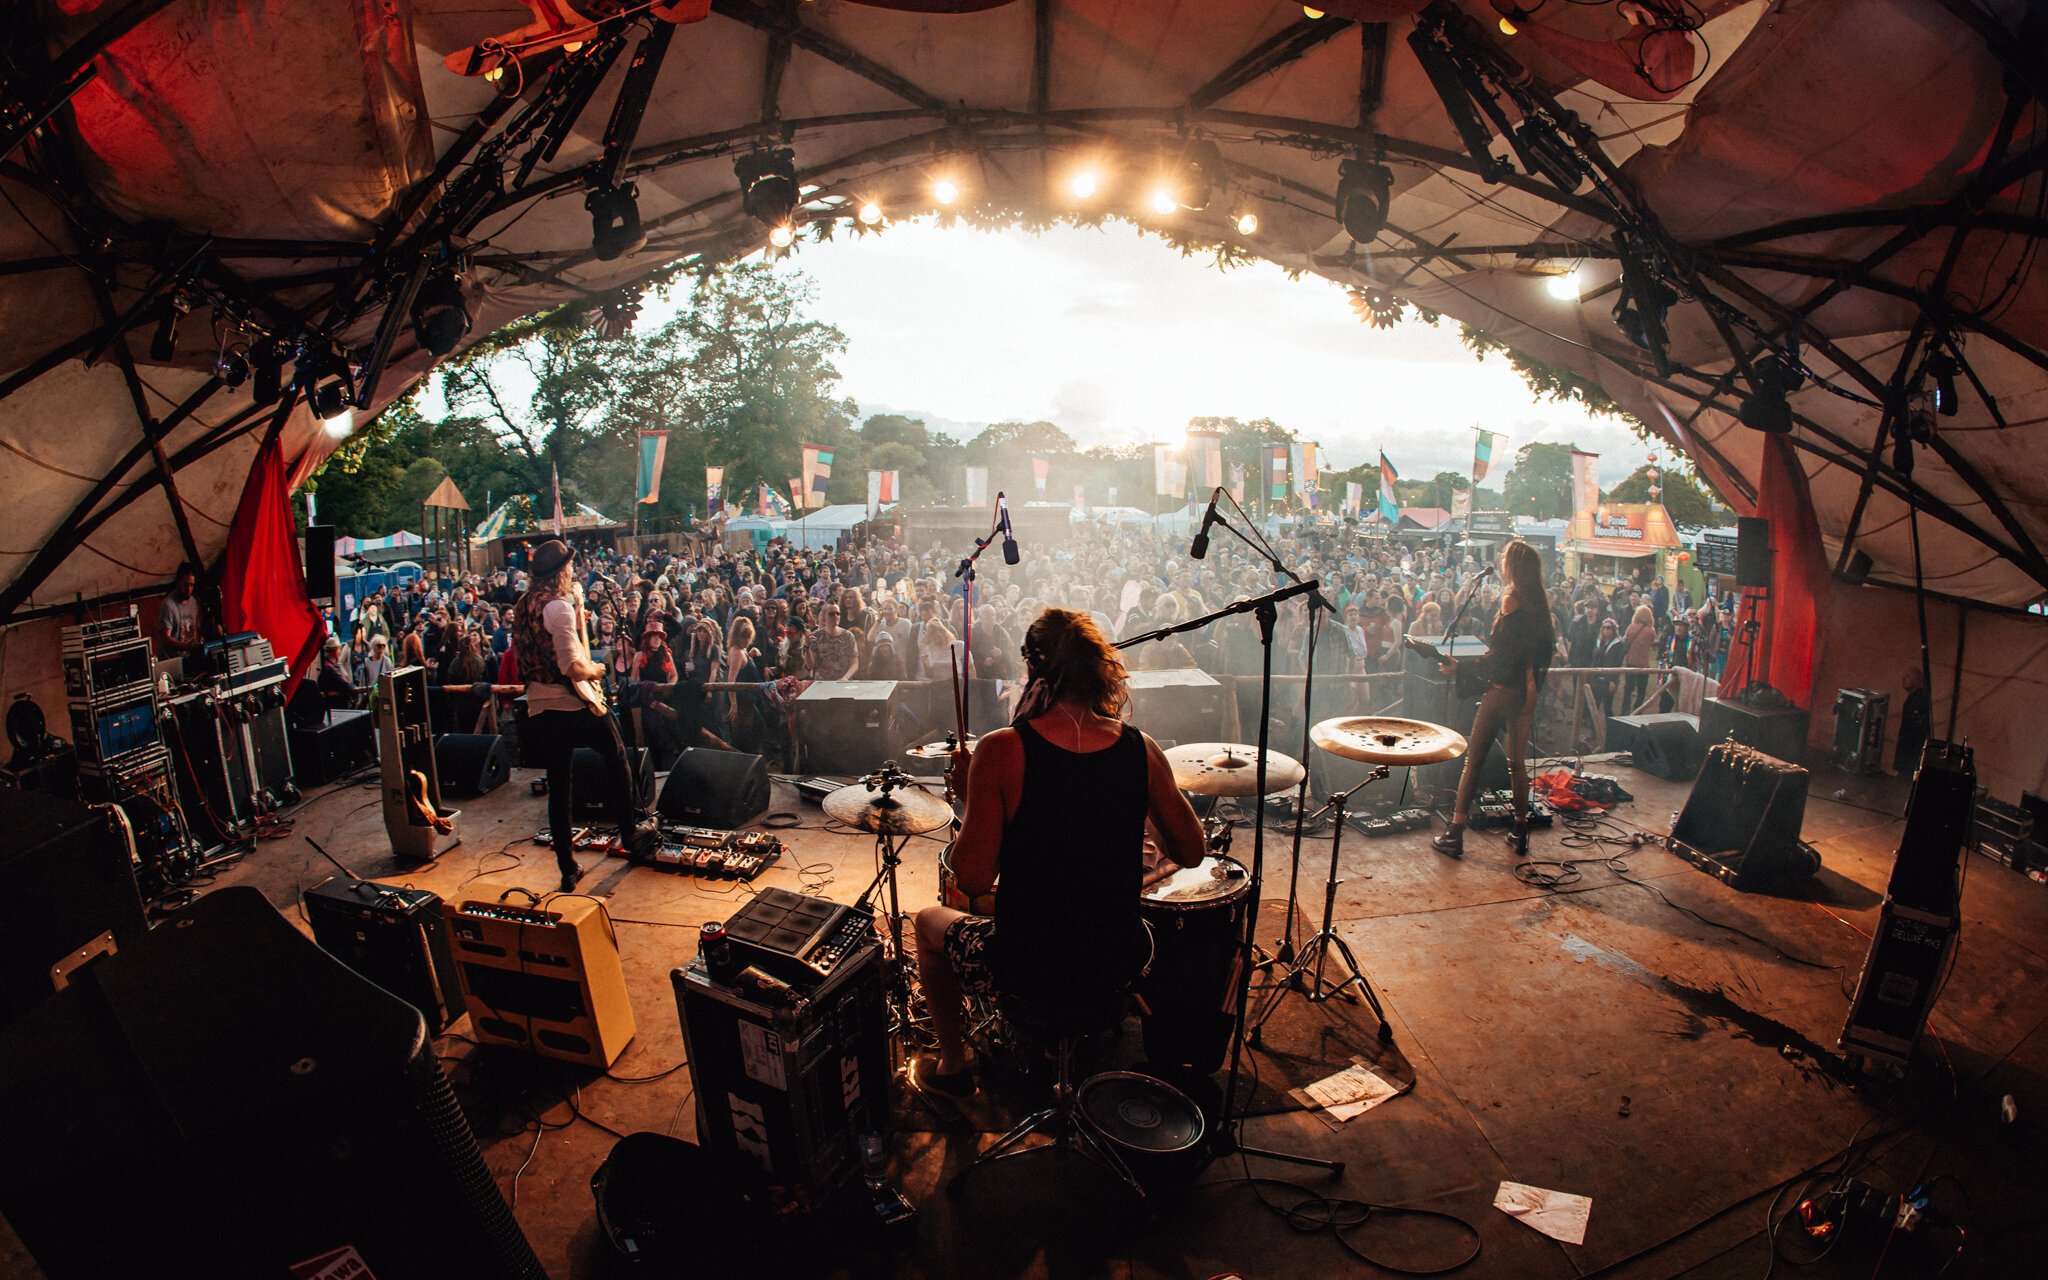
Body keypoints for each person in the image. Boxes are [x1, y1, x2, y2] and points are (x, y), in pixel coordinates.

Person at [910, 608, 1205, 1097]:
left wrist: (970, 801)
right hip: (1118, 960)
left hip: (1029, 969)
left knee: (926, 920)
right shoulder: (1140, 748)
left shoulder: (1002, 750)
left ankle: (952, 1065)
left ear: (1032, 666)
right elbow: (1192, 852)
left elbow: (974, 879)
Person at [513, 539, 659, 891]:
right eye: (568, 568)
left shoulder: (524, 604)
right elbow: (572, 666)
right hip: (573, 700)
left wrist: (579, 615)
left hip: (540, 705)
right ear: (560, 571)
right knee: (618, 757)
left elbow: (547, 638)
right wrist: (597, 669)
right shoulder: (559, 608)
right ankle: (629, 834)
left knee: (559, 784)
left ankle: (567, 865)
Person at [1432, 541, 1554, 859]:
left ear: (1513, 565)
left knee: (1473, 760)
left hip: (1504, 690)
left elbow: (1500, 657)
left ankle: (1455, 833)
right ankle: (1520, 830)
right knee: (1517, 764)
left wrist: (1461, 669)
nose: (1500, 562)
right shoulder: (1540, 603)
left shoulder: (1511, 600)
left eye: (1504, 557)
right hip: (1528, 691)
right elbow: (1539, 653)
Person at [160, 566, 205, 657]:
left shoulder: (193, 602)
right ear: (178, 583)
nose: (189, 589)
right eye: (186, 585)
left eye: (192, 585)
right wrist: (185, 646)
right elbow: (165, 637)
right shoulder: (169, 605)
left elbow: (196, 630)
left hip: (190, 657)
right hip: (173, 659)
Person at [1894, 665, 1931, 773]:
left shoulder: (1918, 699)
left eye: (1908, 676)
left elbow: (1914, 730)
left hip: (1911, 754)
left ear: (1916, 679)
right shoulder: (1914, 698)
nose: (1904, 679)